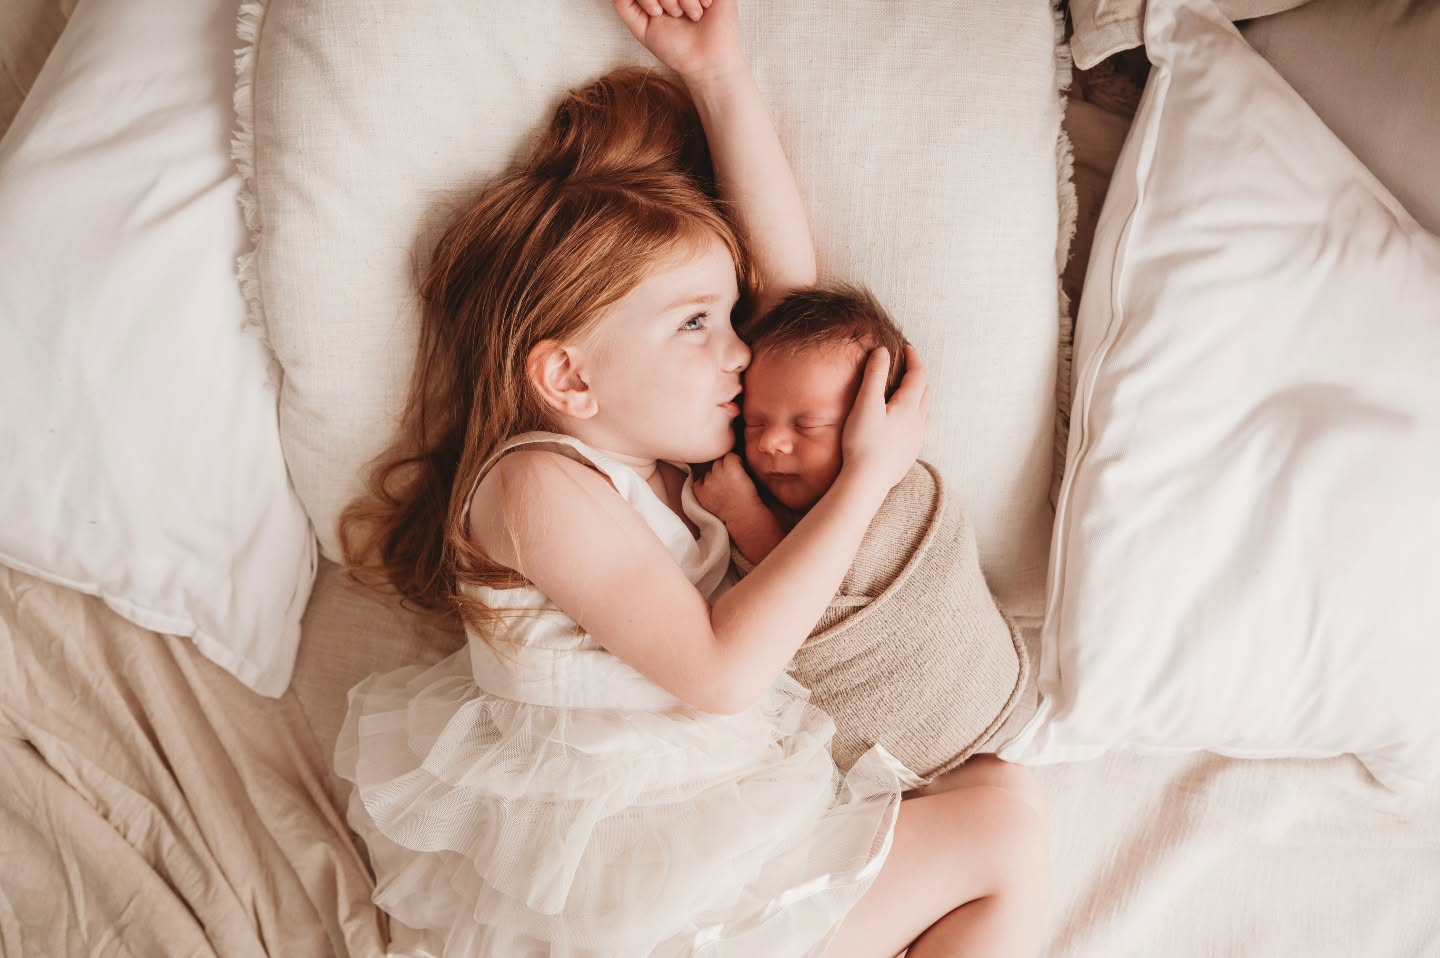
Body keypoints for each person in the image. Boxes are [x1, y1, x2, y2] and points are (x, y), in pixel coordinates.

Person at [333, 0, 1049, 955]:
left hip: (717, 845)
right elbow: (721, 675)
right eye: (697, 325)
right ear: (571, 378)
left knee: (1000, 801)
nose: (740, 351)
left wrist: (720, 78)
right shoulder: (537, 487)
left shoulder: (693, 463)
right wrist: (864, 482)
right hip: (649, 899)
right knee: (1004, 828)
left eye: (727, 318)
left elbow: (800, 309)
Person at [695, 283, 1032, 785]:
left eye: (807, 426)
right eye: (754, 423)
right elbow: (774, 615)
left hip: (989, 709)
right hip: (867, 775)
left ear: (874, 423)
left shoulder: (905, 498)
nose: (772, 443)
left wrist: (745, 519)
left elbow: (814, 592)